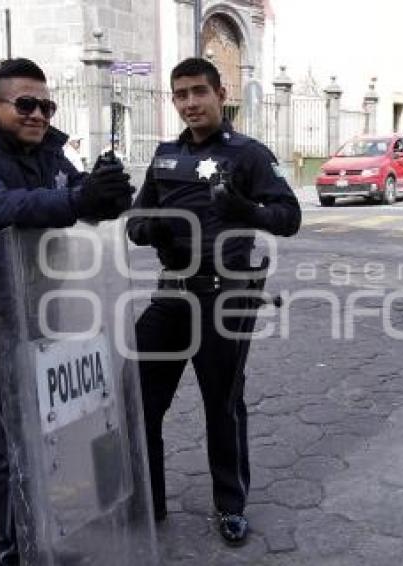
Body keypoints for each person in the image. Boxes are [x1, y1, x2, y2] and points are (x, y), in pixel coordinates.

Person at [0, 58, 134, 566]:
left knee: (47, 434)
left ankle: (39, 537)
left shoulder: (50, 155)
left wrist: (107, 195)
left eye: (46, 105)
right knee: (17, 441)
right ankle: (13, 552)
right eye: (25, 104)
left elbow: (79, 199)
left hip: (46, 311)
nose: (38, 115)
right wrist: (76, 198)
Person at [127, 57, 301, 545]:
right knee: (138, 399)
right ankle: (149, 500)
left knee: (221, 404)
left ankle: (230, 506)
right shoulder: (163, 157)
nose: (189, 103)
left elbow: (289, 217)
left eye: (198, 92)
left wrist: (245, 210)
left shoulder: (248, 155)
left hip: (227, 298)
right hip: (172, 295)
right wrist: (154, 227)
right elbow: (134, 224)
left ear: (220, 94)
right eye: (180, 94)